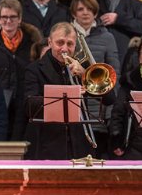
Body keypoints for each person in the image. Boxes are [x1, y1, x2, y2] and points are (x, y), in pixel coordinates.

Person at [23, 22, 114, 160]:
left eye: (70, 44)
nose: (64, 48)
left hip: (80, 146)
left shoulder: (83, 67)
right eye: (60, 43)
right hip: (47, 144)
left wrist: (84, 74)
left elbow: (110, 99)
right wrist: (63, 95)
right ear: (50, 42)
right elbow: (29, 106)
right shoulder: (34, 69)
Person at [0, 0, 43, 141]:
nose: (8, 21)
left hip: (25, 99)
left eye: (12, 17)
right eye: (4, 17)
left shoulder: (32, 41)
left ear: (20, 18)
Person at [71, 0, 121, 158]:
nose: (85, 12)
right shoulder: (68, 36)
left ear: (95, 13)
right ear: (73, 14)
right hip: (75, 103)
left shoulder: (107, 37)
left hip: (98, 106)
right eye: (80, 9)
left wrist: (109, 112)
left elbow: (114, 73)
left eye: (89, 9)